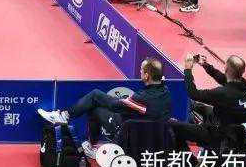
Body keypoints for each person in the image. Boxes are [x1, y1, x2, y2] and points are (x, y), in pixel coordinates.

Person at [37, 58, 171, 159]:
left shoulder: (142, 98)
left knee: (95, 98)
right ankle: (69, 120)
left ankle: (65, 117)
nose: (140, 71)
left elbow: (115, 106)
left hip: (129, 132)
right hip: (153, 135)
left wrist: (99, 97)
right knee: (97, 102)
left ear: (147, 76)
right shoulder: (165, 91)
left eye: (142, 70)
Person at [171, 54, 246, 152]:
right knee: (196, 105)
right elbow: (224, 78)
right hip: (235, 128)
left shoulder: (223, 94)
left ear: (226, 68)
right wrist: (205, 65)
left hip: (220, 137)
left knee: (173, 125)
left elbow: (193, 93)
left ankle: (190, 158)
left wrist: (187, 70)